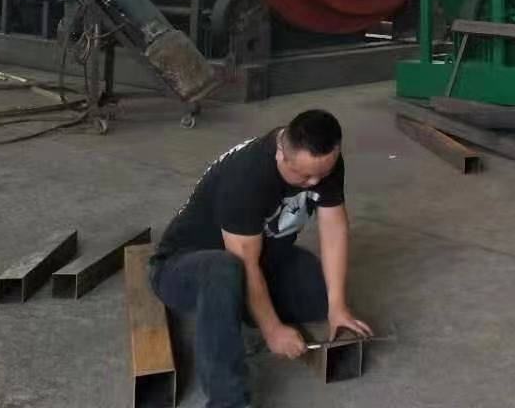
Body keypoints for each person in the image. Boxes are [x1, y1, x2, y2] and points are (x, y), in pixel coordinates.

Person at [148, 108, 372, 408]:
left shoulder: (323, 163)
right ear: (281, 153)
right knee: (223, 271)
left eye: (322, 174)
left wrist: (337, 307)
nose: (314, 182)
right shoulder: (246, 177)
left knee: (317, 293)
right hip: (183, 267)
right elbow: (243, 262)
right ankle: (228, 400)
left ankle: (234, 316)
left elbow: (333, 228)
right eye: (304, 175)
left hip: (260, 259)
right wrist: (273, 330)